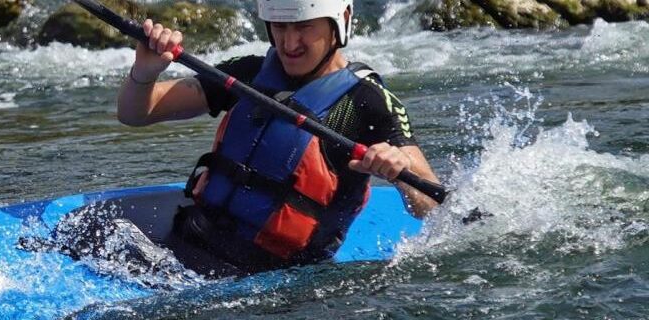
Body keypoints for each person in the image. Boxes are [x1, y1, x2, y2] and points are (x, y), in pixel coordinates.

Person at [116, 0, 440, 274]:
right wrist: (144, 73)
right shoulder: (250, 73)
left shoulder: (367, 103)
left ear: (341, 20)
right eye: (280, 27)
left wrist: (398, 169)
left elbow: (430, 203)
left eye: (303, 27)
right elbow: (137, 113)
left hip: (275, 275)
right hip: (195, 236)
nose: (289, 43)